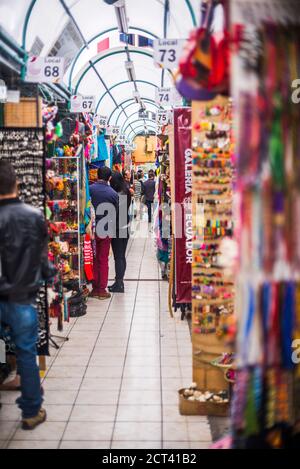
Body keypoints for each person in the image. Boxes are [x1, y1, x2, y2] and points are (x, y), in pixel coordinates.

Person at [0, 161, 55, 430]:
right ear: (16, 184)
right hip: (23, 298)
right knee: (26, 354)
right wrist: (49, 277)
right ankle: (32, 412)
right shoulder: (34, 216)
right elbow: (43, 261)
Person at [89, 166, 118, 299]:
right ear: (110, 178)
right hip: (106, 230)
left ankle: (94, 288)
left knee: (93, 258)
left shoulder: (90, 190)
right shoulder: (113, 193)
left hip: (92, 229)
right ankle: (101, 290)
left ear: (97, 175)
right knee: (103, 259)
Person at [108, 172, 132, 293]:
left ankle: (119, 284)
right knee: (121, 256)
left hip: (117, 228)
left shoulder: (116, 194)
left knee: (118, 257)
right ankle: (119, 281)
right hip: (125, 227)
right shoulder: (126, 191)